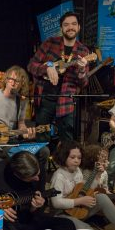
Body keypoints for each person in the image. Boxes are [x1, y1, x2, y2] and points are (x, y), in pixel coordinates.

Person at [0, 65, 50, 191]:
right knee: (21, 156)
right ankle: (18, 191)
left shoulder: (22, 101)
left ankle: (38, 191)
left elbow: (21, 123)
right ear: (6, 79)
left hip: (12, 140)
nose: (13, 83)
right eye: (11, 79)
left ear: (22, 84)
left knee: (44, 151)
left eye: (17, 81)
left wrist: (26, 133)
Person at [27, 11, 89, 142]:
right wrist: (47, 68)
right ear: (61, 28)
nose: (70, 27)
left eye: (73, 24)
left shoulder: (83, 51)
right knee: (41, 138)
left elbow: (83, 83)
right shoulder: (50, 43)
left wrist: (82, 69)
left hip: (66, 101)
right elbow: (31, 65)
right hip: (45, 99)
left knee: (67, 140)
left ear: (79, 27)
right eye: (66, 24)